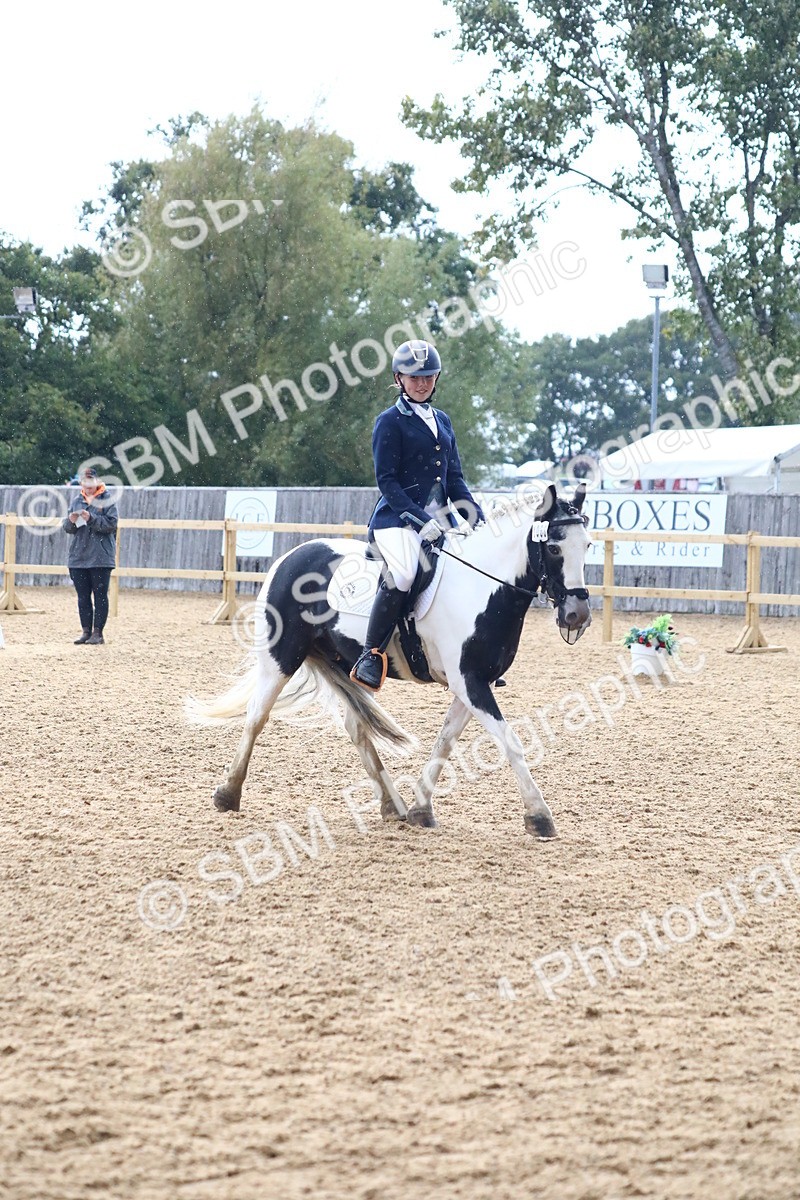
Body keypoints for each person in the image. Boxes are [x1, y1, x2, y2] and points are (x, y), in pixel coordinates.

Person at [350, 339, 486, 691]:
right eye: (414, 377)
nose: (422, 383)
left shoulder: (443, 420)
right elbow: (387, 482)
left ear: (437, 377)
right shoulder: (389, 421)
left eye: (428, 376)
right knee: (405, 573)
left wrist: (476, 518)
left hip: (440, 521)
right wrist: (419, 520)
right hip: (396, 521)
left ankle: (474, 654)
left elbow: (454, 479)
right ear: (399, 378)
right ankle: (371, 654)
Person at [62, 467, 118, 645]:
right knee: (83, 597)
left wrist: (91, 518)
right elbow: (69, 529)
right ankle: (86, 631)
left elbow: (111, 524)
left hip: (101, 556)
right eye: (85, 482)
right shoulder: (77, 501)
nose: (88, 485)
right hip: (79, 556)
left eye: (91, 481)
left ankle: (98, 632)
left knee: (100, 595)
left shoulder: (107, 500)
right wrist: (71, 521)